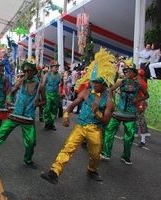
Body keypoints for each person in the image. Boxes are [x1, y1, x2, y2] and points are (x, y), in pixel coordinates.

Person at [40, 48, 115, 184]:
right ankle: (54, 172)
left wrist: (97, 112)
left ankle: (92, 170)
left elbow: (105, 121)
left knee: (95, 154)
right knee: (68, 148)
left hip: (95, 129)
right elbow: (72, 105)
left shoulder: (109, 100)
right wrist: (66, 115)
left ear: (103, 84)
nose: (93, 84)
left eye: (96, 83)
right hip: (80, 126)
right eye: (92, 81)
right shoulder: (86, 92)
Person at [0, 61, 45, 169]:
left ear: (34, 72)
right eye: (24, 71)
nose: (26, 73)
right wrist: (9, 100)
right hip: (16, 113)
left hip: (28, 117)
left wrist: (38, 103)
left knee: (30, 142)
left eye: (28, 71)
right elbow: (12, 91)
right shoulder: (21, 81)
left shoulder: (40, 85)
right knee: (1, 134)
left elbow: (45, 101)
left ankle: (28, 160)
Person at [101, 62, 149, 165]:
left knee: (129, 136)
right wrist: (112, 102)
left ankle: (126, 156)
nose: (127, 73)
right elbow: (110, 90)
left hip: (131, 113)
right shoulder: (121, 82)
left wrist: (138, 99)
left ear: (134, 74)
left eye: (130, 71)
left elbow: (146, 95)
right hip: (118, 111)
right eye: (126, 71)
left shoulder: (138, 85)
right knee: (109, 131)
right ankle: (106, 153)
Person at [42, 61, 61, 130]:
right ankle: (47, 124)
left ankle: (51, 124)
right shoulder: (47, 74)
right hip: (48, 94)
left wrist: (60, 94)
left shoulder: (59, 75)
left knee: (54, 110)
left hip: (56, 95)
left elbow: (60, 85)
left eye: (58, 67)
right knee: (47, 109)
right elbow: (43, 85)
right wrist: (42, 95)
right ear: (51, 68)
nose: (57, 68)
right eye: (56, 67)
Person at [135, 69, 150, 147]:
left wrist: (141, 106)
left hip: (140, 105)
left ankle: (143, 140)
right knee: (137, 120)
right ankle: (133, 135)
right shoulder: (137, 81)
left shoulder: (142, 83)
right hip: (136, 104)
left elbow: (144, 96)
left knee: (141, 121)